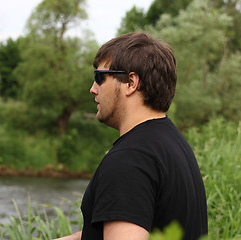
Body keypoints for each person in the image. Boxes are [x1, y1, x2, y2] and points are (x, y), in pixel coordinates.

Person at [56, 32, 208, 240]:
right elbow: (121, 226)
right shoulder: (174, 145)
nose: (93, 89)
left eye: (99, 77)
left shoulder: (129, 160)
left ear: (130, 82)